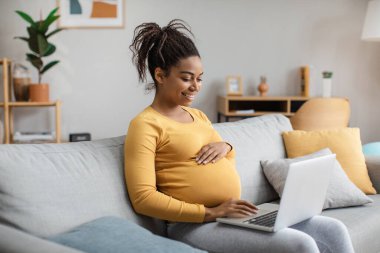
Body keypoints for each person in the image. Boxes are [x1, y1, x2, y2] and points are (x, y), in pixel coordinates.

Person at [124, 19, 354, 253]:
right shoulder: (145, 125)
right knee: (300, 244)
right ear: (161, 76)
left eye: (199, 78)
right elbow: (143, 198)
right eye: (186, 78)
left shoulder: (199, 117)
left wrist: (226, 146)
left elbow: (224, 158)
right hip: (192, 225)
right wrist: (211, 212)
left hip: (233, 214)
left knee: (333, 229)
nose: (195, 86)